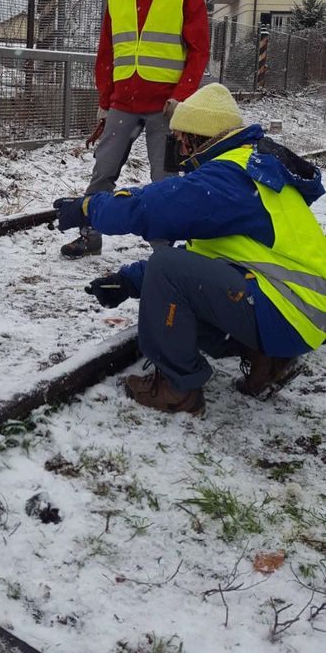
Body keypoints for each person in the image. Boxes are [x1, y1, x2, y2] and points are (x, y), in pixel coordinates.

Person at [54, 83, 326, 415]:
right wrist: (128, 281)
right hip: (303, 314)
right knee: (175, 274)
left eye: (183, 138)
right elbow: (208, 255)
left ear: (200, 136)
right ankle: (267, 358)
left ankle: (177, 388)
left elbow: (152, 208)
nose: (180, 147)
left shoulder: (229, 175)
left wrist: (88, 209)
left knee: (166, 265)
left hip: (289, 312)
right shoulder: (251, 167)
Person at [61, 0, 209, 258]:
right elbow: (107, 52)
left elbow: (200, 48)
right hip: (123, 103)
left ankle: (164, 251)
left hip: (165, 106)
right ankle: (89, 235)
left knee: (166, 182)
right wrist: (105, 97)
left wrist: (182, 95)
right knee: (103, 171)